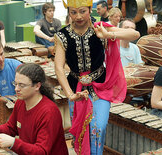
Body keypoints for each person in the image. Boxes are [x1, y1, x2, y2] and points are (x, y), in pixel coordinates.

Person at [54, 0, 140, 154]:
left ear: (90, 10)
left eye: (82, 11)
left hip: (100, 86)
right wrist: (70, 95)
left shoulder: (100, 28)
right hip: (75, 87)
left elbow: (135, 34)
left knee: (98, 127)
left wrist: (109, 34)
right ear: (69, 13)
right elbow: (59, 68)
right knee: (80, 130)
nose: (78, 16)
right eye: (73, 12)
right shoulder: (62, 35)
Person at [0, 63, 68, 155]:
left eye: (22, 85)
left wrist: (14, 143)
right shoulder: (21, 102)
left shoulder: (49, 112)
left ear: (37, 86)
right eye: (15, 84)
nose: (16, 89)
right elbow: (11, 128)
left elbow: (41, 151)